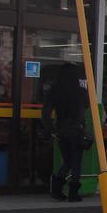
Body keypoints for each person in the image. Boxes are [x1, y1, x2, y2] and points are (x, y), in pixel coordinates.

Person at [41, 62, 87, 202]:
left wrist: (51, 130)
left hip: (62, 129)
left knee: (67, 161)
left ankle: (56, 189)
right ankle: (73, 192)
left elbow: (46, 113)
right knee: (76, 162)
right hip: (76, 129)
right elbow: (86, 106)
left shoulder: (55, 89)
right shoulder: (79, 90)